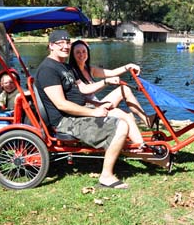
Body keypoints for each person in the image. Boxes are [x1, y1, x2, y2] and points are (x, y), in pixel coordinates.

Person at [35, 30, 132, 189]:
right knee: (121, 125)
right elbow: (61, 104)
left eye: (67, 43)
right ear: (51, 46)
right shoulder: (48, 70)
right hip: (65, 121)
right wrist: (93, 112)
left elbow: (81, 91)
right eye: (61, 43)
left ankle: (145, 151)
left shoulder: (64, 66)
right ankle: (106, 177)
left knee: (120, 117)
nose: (66, 46)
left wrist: (96, 104)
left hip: (78, 111)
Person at [68, 40, 157, 128]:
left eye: (84, 51)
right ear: (73, 55)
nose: (82, 54)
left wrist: (128, 66)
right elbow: (85, 89)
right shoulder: (71, 71)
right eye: (78, 52)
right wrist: (106, 82)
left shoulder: (89, 69)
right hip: (88, 109)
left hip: (96, 103)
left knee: (125, 89)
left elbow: (112, 72)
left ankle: (146, 119)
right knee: (127, 115)